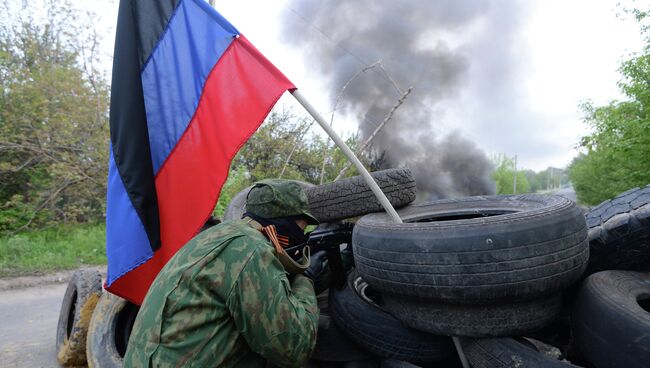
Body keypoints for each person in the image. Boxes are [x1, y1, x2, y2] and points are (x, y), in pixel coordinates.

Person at [123, 179, 324, 367]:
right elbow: (293, 348)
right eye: (301, 229)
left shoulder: (221, 234)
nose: (301, 237)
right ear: (283, 223)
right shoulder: (251, 250)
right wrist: (306, 279)